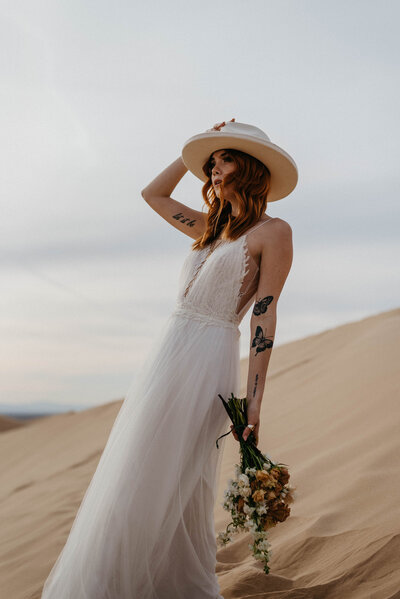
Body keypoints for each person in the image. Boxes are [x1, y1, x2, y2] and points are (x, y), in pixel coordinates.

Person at [40, 119, 298, 599]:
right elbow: (152, 195)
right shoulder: (208, 229)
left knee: (166, 476)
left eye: (224, 159)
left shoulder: (273, 232)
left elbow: (265, 317)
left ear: (251, 168)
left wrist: (255, 401)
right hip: (168, 353)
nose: (213, 170)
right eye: (210, 163)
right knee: (134, 469)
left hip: (208, 358)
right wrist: (191, 152)